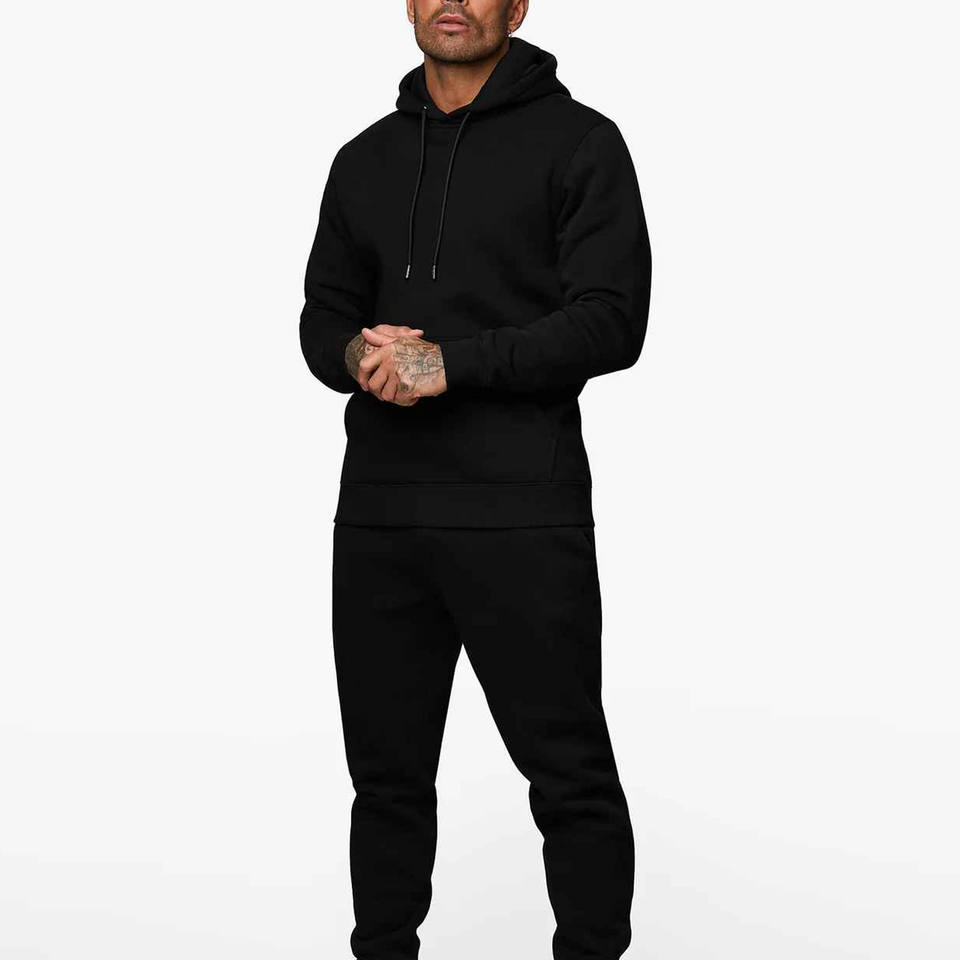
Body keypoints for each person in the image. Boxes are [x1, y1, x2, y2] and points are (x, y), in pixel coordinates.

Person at [299, 2, 652, 957]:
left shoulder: (582, 144)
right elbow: (322, 316)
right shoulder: (364, 159)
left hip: (521, 511)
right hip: (380, 513)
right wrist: (357, 353)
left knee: (569, 776)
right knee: (385, 783)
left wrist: (452, 364)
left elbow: (612, 320)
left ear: (518, 5)